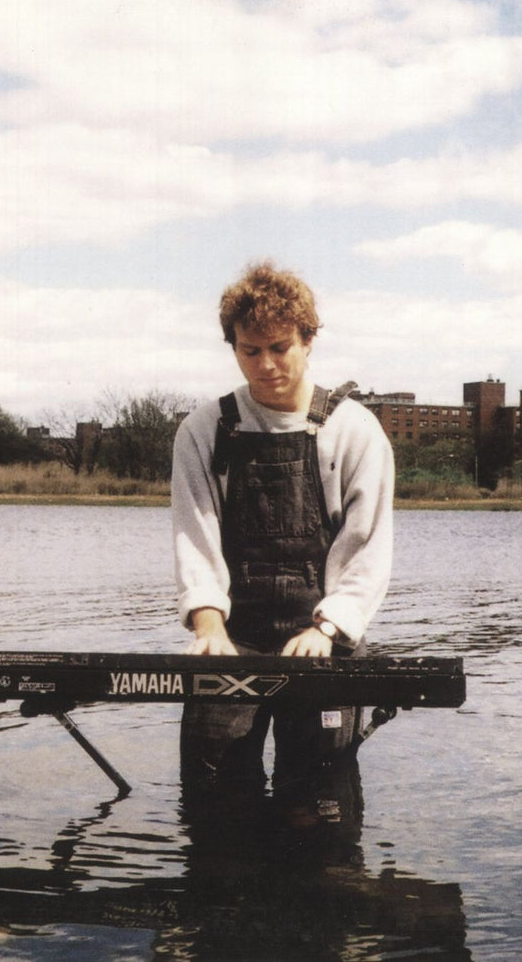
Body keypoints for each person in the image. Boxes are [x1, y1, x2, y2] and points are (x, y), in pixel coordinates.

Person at [171, 261, 394, 792]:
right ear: (233, 347)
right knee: (214, 799)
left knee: (319, 801)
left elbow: (367, 547)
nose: (266, 365)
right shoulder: (205, 430)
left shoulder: (355, 431)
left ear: (309, 340)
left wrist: (328, 628)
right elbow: (194, 533)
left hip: (321, 637)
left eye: (280, 347)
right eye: (251, 351)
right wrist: (207, 627)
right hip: (233, 635)